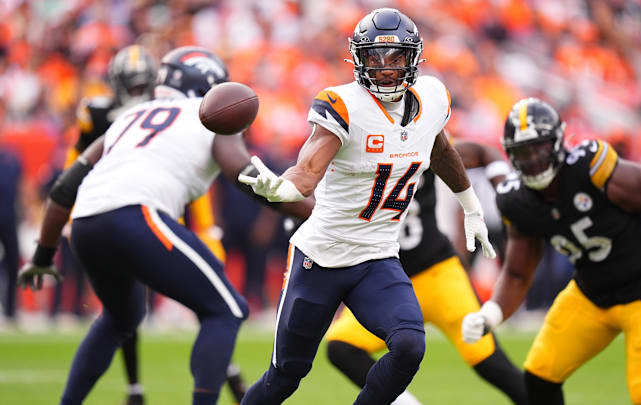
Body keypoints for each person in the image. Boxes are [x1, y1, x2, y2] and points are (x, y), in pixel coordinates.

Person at [17, 46, 311, 405]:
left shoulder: (131, 117)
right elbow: (245, 175)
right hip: (135, 215)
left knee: (120, 318)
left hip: (85, 222)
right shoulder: (211, 114)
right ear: (212, 85)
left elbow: (64, 187)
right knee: (228, 309)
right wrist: (312, 211)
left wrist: (44, 255)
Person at [237, 8, 496, 405]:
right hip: (321, 258)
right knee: (285, 376)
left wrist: (471, 206)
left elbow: (441, 149)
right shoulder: (344, 105)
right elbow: (307, 170)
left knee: (409, 345)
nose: (386, 68)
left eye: (395, 58)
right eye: (375, 57)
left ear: (413, 59)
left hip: (377, 257)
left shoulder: (431, 97)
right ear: (359, 59)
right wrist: (284, 189)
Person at [461, 97, 641, 405]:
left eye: (538, 149)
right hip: (592, 294)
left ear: (557, 143)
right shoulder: (517, 200)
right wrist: (491, 312)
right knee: (539, 377)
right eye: (522, 153)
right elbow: (518, 272)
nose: (532, 160)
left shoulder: (590, 169)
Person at [323, 140, 528, 405]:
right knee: (341, 346)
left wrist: (505, 190)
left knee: (491, 364)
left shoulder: (417, 143)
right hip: (388, 281)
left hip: (438, 274)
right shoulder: (352, 158)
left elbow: (480, 152)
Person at [0, 149, 22, 323]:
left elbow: (21, 187)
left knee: (13, 262)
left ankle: (10, 310)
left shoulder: (11, 158)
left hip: (9, 218)